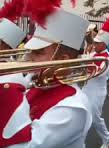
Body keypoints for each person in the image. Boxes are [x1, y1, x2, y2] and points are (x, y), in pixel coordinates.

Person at [0, 8, 93, 148]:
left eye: (37, 53)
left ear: (62, 59)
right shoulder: (38, 83)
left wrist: (10, 92)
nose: (28, 58)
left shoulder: (72, 107)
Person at [82, 10, 109, 148]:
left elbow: (95, 72)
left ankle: (107, 137)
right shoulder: (93, 52)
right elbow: (83, 63)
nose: (95, 44)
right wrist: (85, 55)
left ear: (105, 44)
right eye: (95, 42)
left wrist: (85, 61)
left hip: (96, 92)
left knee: (95, 119)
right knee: (82, 115)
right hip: (85, 88)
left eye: (98, 43)